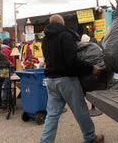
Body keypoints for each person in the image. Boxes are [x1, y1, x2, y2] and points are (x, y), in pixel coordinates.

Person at [39, 14, 104, 143]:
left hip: (51, 81)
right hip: (66, 80)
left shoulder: (45, 40)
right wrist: (91, 68)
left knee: (52, 114)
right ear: (62, 24)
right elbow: (72, 60)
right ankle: (90, 137)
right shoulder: (65, 35)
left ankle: (45, 141)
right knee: (80, 110)